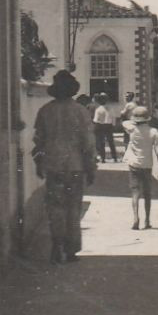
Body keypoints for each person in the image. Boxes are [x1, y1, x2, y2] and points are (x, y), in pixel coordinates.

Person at [32, 70, 97, 264]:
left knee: (55, 207)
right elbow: (88, 143)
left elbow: (38, 141)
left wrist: (39, 164)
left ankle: (56, 246)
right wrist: (91, 167)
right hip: (75, 166)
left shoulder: (45, 111)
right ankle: (71, 250)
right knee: (73, 208)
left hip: (53, 166)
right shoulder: (81, 111)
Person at [122, 106, 158, 230]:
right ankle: (147, 220)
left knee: (135, 192)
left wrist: (133, 120)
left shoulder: (131, 129)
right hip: (147, 165)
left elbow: (124, 122)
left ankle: (136, 218)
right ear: (148, 119)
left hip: (133, 165)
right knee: (147, 193)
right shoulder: (153, 132)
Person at [91, 93, 118, 163]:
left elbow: (96, 120)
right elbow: (113, 118)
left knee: (102, 143)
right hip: (109, 126)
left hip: (101, 126)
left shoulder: (98, 109)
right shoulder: (110, 108)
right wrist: (113, 125)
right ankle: (114, 157)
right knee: (111, 142)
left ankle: (103, 158)